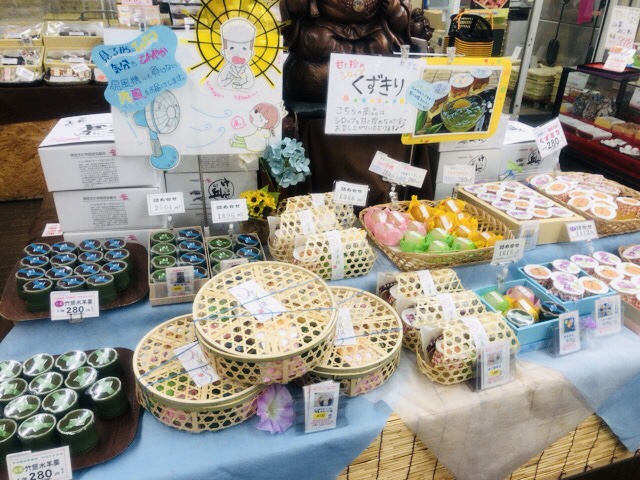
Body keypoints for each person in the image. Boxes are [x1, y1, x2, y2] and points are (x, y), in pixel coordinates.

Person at [280, 0, 411, 102]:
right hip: (326, 27)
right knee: (315, 40)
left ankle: (354, 75)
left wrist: (394, 9)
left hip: (370, 29)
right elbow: (297, 9)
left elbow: (400, 24)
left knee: (383, 45)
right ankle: (341, 73)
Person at [217, 18, 256, 90]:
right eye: (231, 48)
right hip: (225, 93)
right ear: (223, 51)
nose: (238, 53)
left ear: (251, 52)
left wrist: (241, 86)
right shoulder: (227, 68)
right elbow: (220, 82)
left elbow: (250, 82)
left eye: (244, 48)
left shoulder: (246, 69)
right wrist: (230, 79)